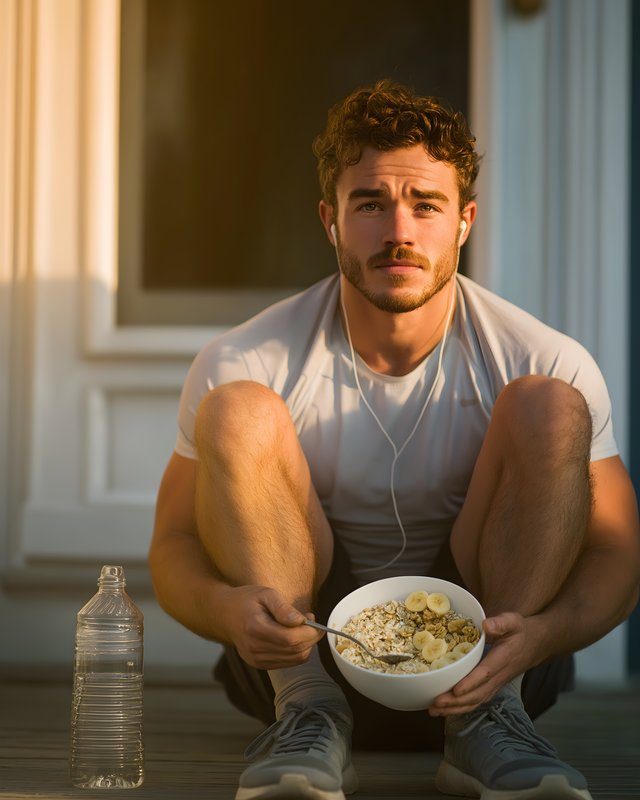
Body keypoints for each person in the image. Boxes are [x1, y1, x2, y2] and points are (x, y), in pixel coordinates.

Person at [149, 79, 640, 800]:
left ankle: (488, 727)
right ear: (331, 219)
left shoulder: (543, 356)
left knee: (550, 406)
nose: (399, 231)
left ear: (465, 221)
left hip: (495, 663)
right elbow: (172, 548)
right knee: (238, 409)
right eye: (371, 203)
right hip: (307, 660)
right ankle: (308, 719)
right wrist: (230, 613)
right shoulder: (247, 357)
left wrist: (545, 635)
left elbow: (618, 557)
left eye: (426, 205)